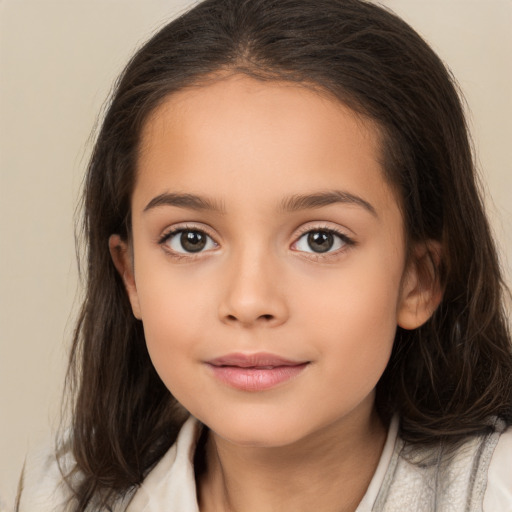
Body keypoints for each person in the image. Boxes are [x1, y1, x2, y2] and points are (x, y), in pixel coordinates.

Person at [15, 0, 512, 510]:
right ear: (131, 275)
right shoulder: (61, 494)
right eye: (191, 239)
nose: (249, 301)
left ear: (419, 280)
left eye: (321, 239)